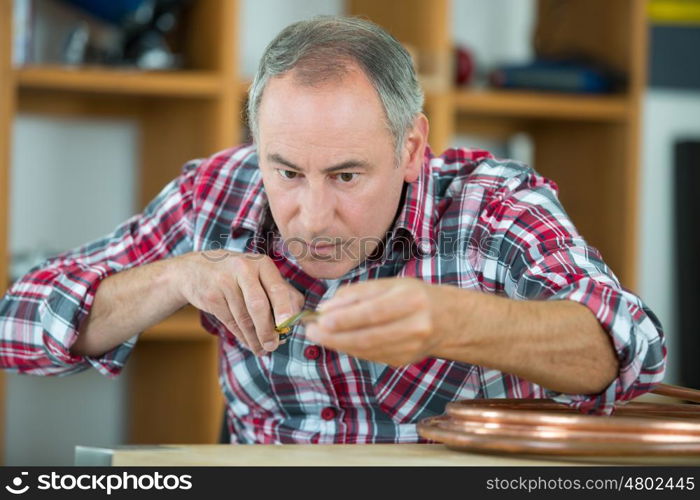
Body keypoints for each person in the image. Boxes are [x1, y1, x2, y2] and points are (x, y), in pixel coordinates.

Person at [0, 16, 665, 444]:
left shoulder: (491, 205)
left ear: (411, 148)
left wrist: (449, 321)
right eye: (286, 171)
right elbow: (14, 327)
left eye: (347, 176)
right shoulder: (215, 191)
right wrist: (178, 275)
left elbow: (630, 350)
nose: (313, 219)